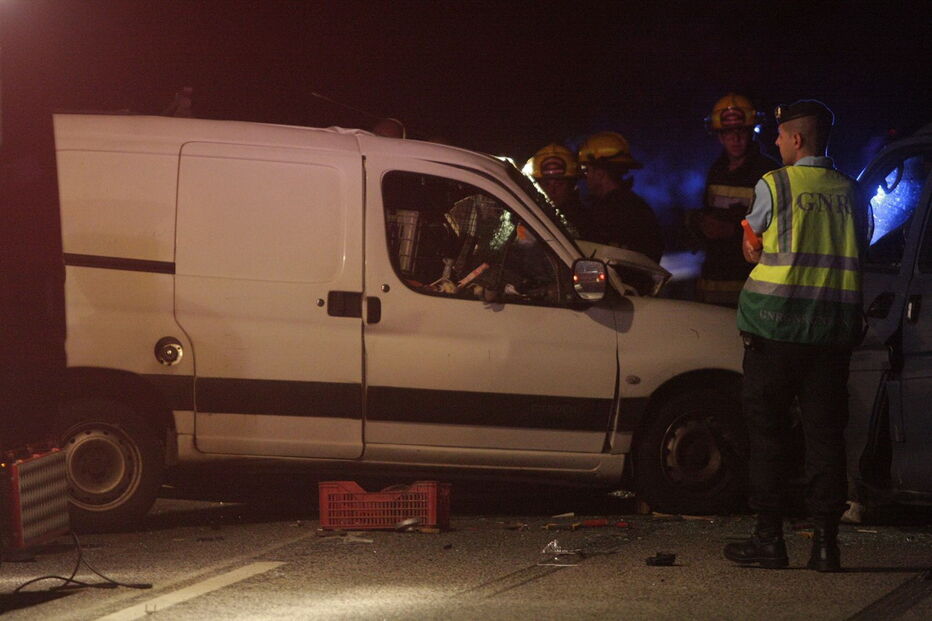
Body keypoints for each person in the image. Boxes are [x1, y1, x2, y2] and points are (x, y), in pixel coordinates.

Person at [723, 100, 868, 572]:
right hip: (831, 334)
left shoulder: (775, 184)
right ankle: (826, 546)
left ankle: (770, 540)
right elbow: (859, 246)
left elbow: (753, 245)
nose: (777, 143)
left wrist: (750, 243)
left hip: (774, 330)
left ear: (797, 139)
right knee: (826, 437)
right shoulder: (853, 190)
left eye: (781, 136)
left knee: (768, 435)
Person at [691, 93, 779, 306]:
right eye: (728, 132)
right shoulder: (716, 170)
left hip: (750, 283)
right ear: (719, 135)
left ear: (752, 132)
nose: (735, 138)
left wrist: (732, 232)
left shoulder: (769, 173)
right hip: (713, 280)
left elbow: (779, 230)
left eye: (741, 131)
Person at [577, 131, 663, 263]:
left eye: (586, 169)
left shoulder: (608, 213)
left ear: (600, 173)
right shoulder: (637, 208)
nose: (585, 177)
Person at [526, 143, 588, 238]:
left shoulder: (584, 221)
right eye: (547, 184)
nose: (552, 190)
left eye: (559, 184)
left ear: (572, 185)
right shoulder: (530, 216)